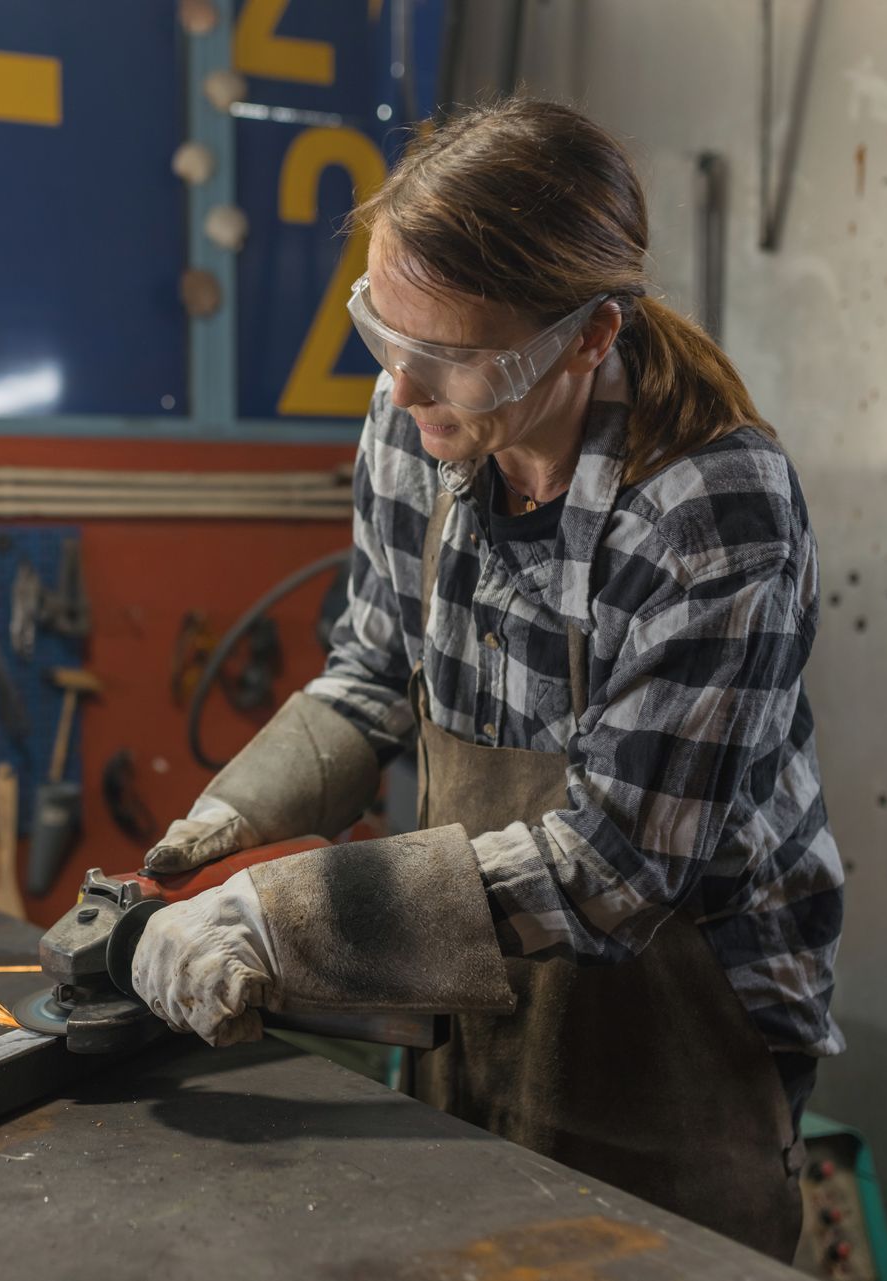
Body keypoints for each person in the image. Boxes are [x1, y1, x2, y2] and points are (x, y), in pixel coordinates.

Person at [128, 98, 844, 1261]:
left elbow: (615, 870)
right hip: (479, 997)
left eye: (449, 358)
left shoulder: (711, 512)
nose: (401, 393)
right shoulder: (419, 419)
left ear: (590, 337)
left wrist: (283, 919)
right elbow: (372, 669)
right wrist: (228, 825)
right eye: (381, 332)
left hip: (676, 1039)